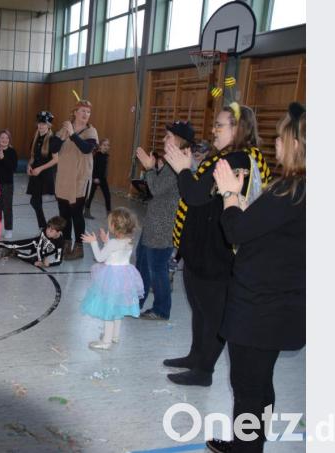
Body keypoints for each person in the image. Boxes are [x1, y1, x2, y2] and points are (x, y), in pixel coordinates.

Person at [205, 103, 305, 453]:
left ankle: (247, 449)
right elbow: (273, 235)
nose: (275, 144)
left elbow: (235, 231)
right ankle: (247, 445)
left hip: (259, 309)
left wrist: (231, 195)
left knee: (248, 388)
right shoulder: (299, 191)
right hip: (281, 305)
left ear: (297, 145)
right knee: (260, 384)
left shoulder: (290, 190)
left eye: (281, 138)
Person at [162, 102, 271, 387]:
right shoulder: (225, 155)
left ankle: (204, 371)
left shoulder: (238, 159)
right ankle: (195, 356)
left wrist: (183, 170)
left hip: (217, 255)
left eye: (220, 125)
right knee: (199, 309)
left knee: (212, 315)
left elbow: (196, 195)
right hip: (201, 251)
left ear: (239, 129)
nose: (213, 130)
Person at [133, 122, 186, 321]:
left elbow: (155, 189)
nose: (164, 139)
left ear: (180, 141)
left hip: (163, 226)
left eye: (169, 136)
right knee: (143, 264)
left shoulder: (176, 165)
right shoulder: (170, 162)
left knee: (157, 269)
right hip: (154, 222)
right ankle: (136, 303)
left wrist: (149, 169)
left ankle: (161, 309)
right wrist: (154, 168)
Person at [79, 208, 143, 350]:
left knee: (108, 308)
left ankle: (106, 342)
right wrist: (107, 241)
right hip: (124, 276)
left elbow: (100, 258)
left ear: (114, 225)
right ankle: (115, 336)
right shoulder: (129, 240)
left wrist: (94, 242)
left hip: (111, 277)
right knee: (117, 306)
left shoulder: (114, 243)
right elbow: (116, 253)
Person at [49, 99, 99, 260]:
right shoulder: (65, 129)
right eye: (82, 111)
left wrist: (72, 134)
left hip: (80, 180)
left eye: (88, 112)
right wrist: (63, 135)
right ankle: (65, 243)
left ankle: (78, 248)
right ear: (75, 113)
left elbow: (86, 149)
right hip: (63, 179)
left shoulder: (91, 132)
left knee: (77, 214)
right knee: (64, 215)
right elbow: (53, 148)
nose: (86, 114)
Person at [26, 111, 58, 229]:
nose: (41, 125)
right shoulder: (36, 138)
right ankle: (44, 227)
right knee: (35, 202)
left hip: (44, 174)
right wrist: (29, 165)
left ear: (49, 125)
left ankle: (44, 227)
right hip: (35, 174)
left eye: (44, 123)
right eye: (39, 123)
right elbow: (33, 157)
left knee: (35, 201)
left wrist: (40, 168)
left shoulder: (52, 139)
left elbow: (56, 159)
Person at [0, 216, 66, 268]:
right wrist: (40, 260)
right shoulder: (45, 231)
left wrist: (48, 264)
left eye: (51, 231)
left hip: (40, 253)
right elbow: (39, 245)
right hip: (35, 243)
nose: (48, 231)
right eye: (48, 228)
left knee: (31, 259)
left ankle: (14, 252)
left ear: (59, 232)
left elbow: (59, 260)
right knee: (13, 245)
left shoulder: (60, 243)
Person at [0, 130, 18, 239]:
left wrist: (4, 159)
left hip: (7, 184)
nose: (4, 140)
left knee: (7, 207)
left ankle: (8, 229)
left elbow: (13, 168)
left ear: (9, 139)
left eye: (6, 138)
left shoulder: (12, 152)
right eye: (2, 138)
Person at [84, 138, 112, 219]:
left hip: (102, 179)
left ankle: (109, 214)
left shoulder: (106, 156)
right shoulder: (97, 155)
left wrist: (104, 176)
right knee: (90, 195)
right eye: (104, 145)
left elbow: (104, 168)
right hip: (95, 178)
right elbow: (92, 167)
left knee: (107, 195)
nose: (106, 147)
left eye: (108, 145)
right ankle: (86, 212)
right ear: (100, 146)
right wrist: (94, 177)